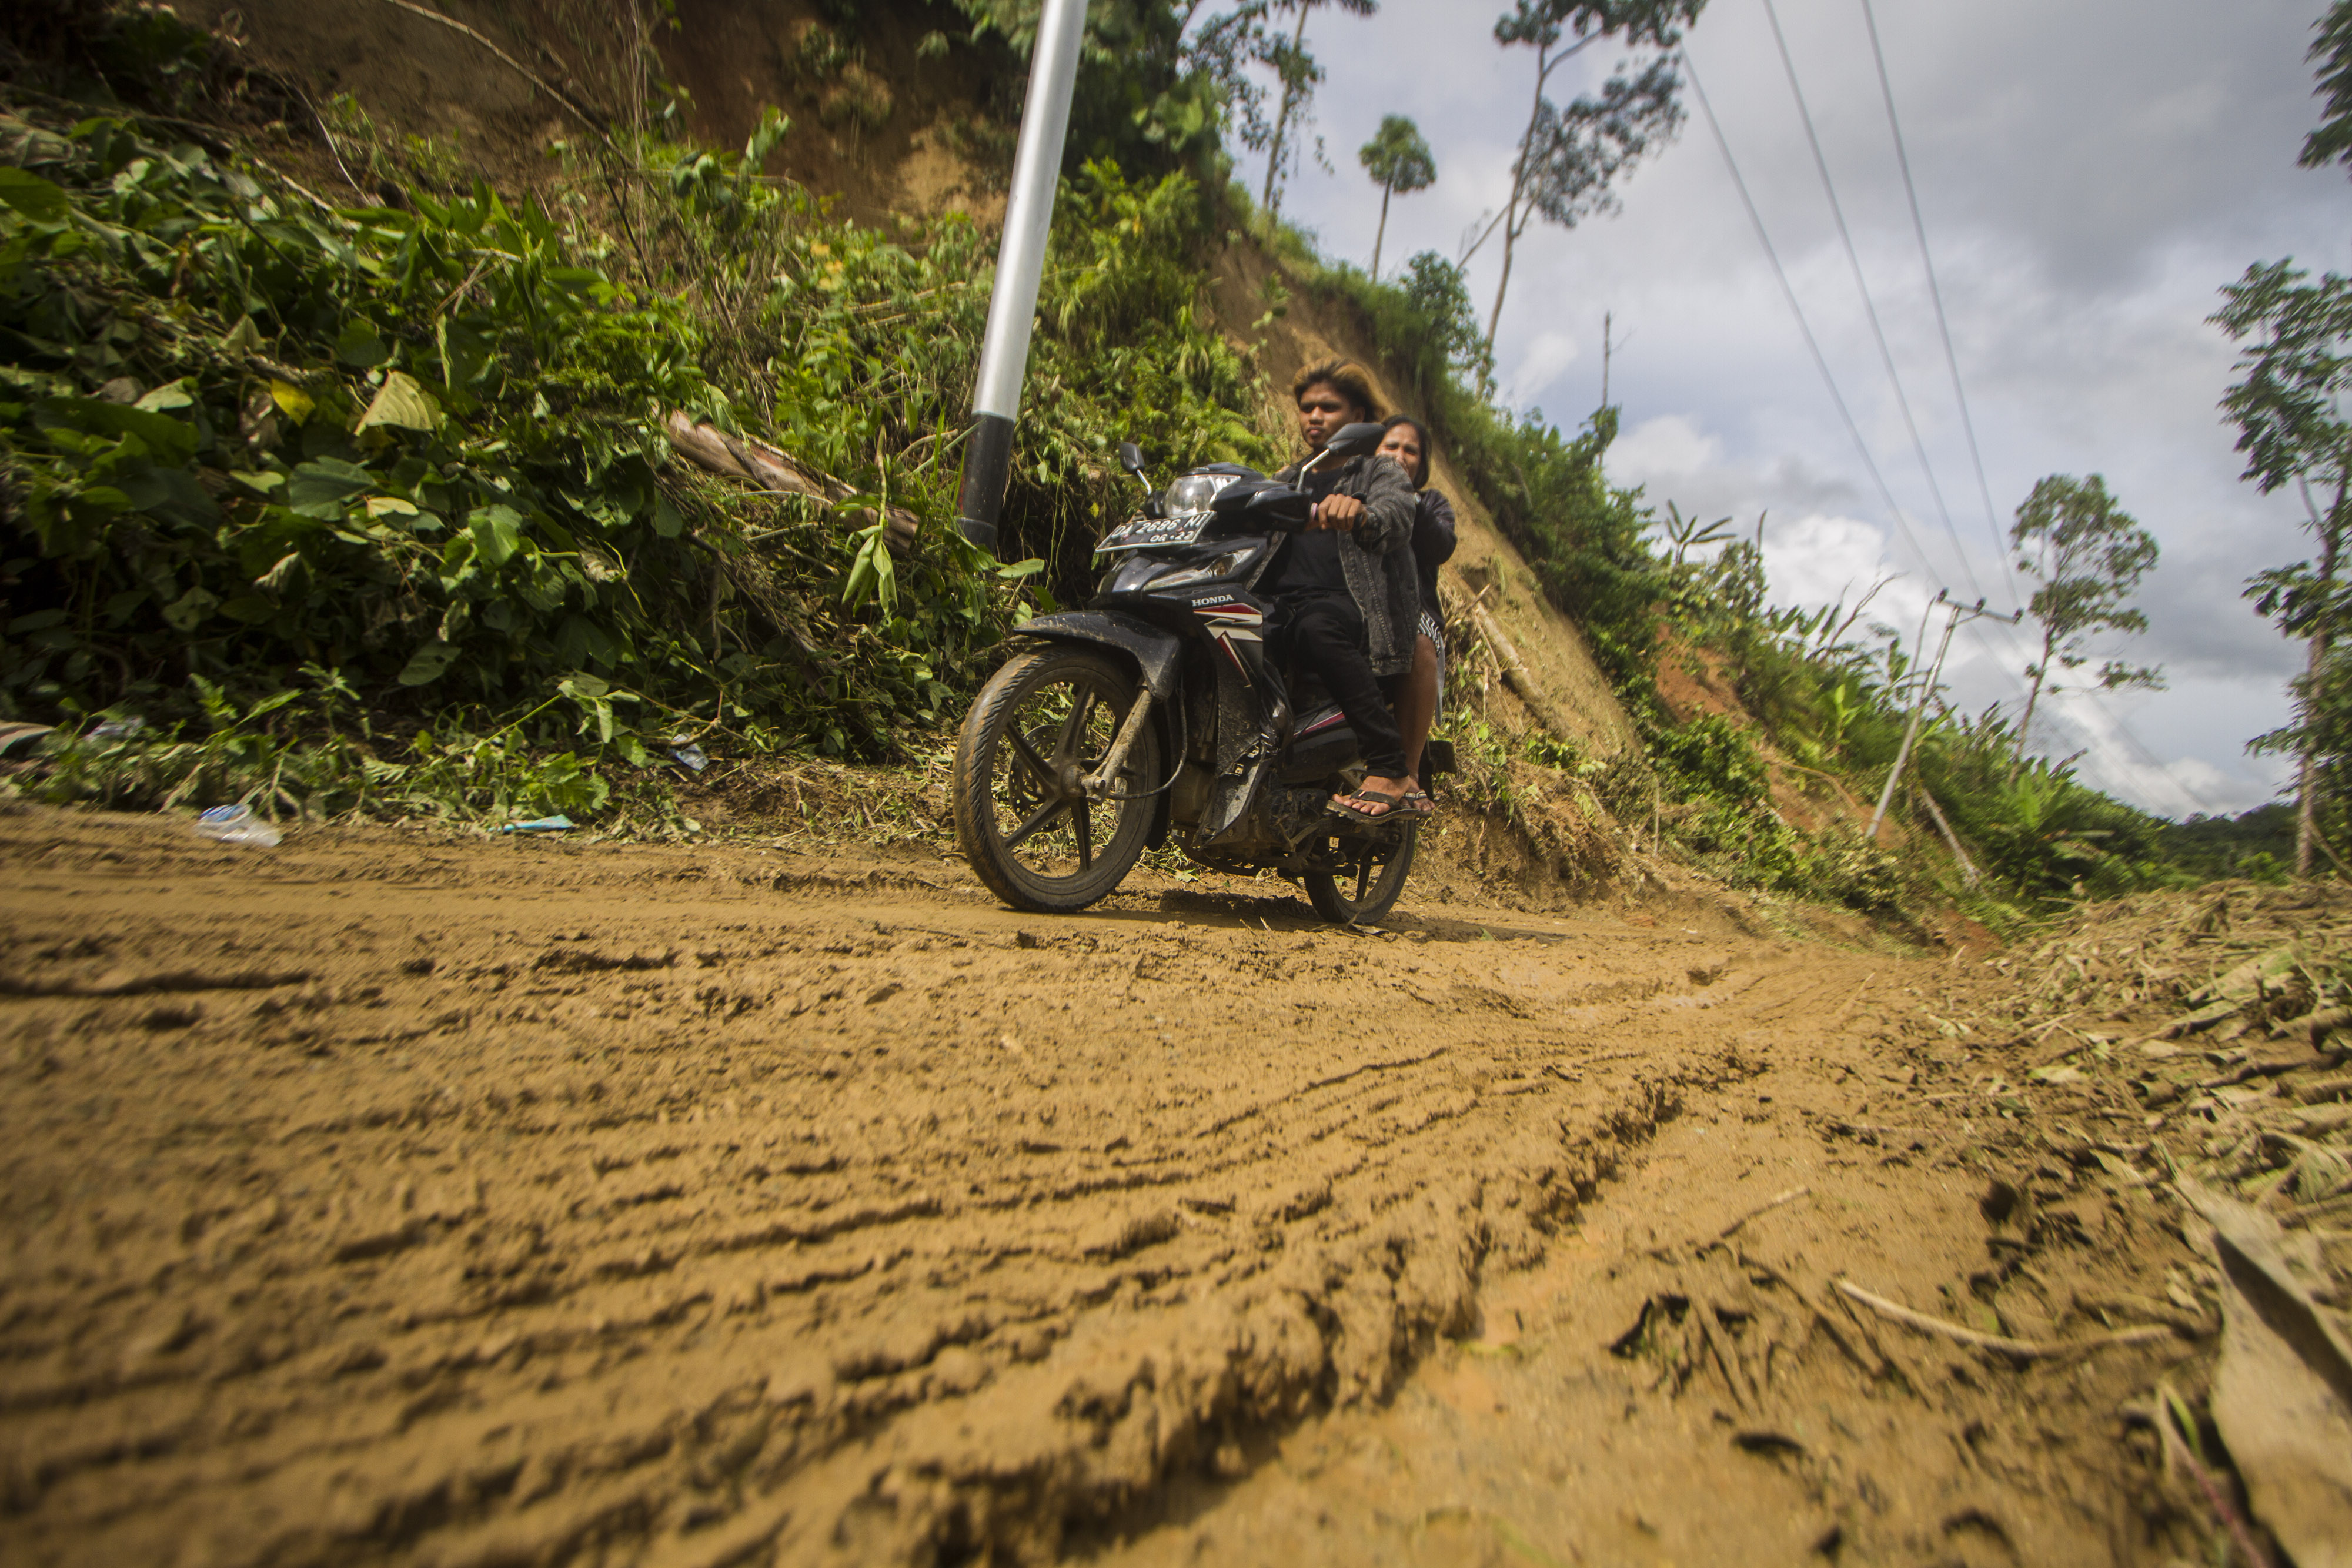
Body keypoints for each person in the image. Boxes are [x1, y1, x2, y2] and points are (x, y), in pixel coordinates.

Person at [1258, 359, 1419, 821]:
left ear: (1360, 417)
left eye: (1329, 407)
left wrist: (1363, 514)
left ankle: (1390, 763)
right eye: (1307, 407)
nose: (1314, 416)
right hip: (1280, 604)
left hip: (1351, 610)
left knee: (1316, 627)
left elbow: (1397, 516)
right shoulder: (1289, 479)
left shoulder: (1380, 473)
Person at [1375, 415, 1454, 814]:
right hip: (1357, 611)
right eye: (1391, 446)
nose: (1399, 455)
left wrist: (1408, 500)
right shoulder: (1354, 493)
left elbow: (1441, 545)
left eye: (1410, 450)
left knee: (1421, 639)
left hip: (1410, 615)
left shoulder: (1433, 503)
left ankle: (1408, 771)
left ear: (1421, 465)